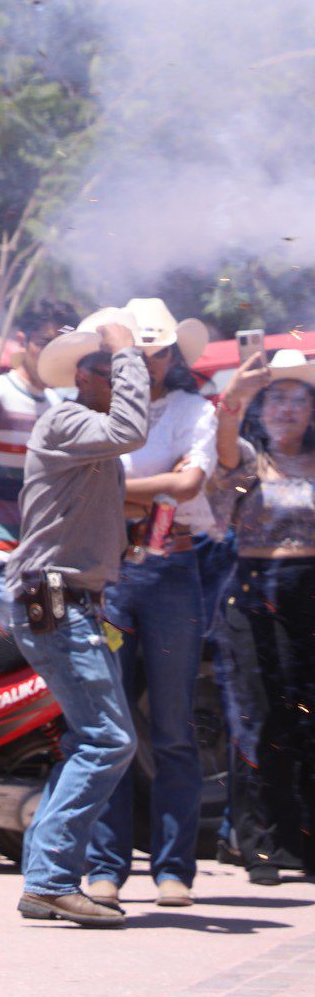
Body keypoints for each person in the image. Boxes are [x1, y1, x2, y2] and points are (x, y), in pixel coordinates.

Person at [5, 315, 149, 927]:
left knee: (94, 739)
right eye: (115, 370)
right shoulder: (68, 419)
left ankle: (49, 875)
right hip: (55, 597)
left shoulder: (81, 428)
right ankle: (50, 879)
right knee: (109, 739)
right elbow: (133, 427)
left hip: (65, 597)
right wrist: (129, 350)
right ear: (88, 376)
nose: (125, 379)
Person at [83, 300, 215, 908]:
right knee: (111, 726)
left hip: (167, 570)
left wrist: (118, 488)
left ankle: (172, 869)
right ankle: (107, 865)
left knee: (171, 728)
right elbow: (175, 479)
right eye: (142, 352)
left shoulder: (194, 409)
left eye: (159, 352)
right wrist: (154, 485)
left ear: (172, 355)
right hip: (113, 568)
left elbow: (190, 486)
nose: (151, 363)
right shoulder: (96, 408)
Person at [206, 348, 315, 884]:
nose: (288, 410)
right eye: (278, 399)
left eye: (300, 399)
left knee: (309, 718)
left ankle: (307, 844)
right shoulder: (248, 461)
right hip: (253, 593)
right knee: (259, 717)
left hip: (310, 593)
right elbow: (222, 444)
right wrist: (237, 395)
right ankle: (260, 847)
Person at [0, 301, 77, 600]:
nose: (53, 353)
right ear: (23, 341)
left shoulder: (57, 405)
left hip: (45, 562)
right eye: (45, 343)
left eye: (61, 345)